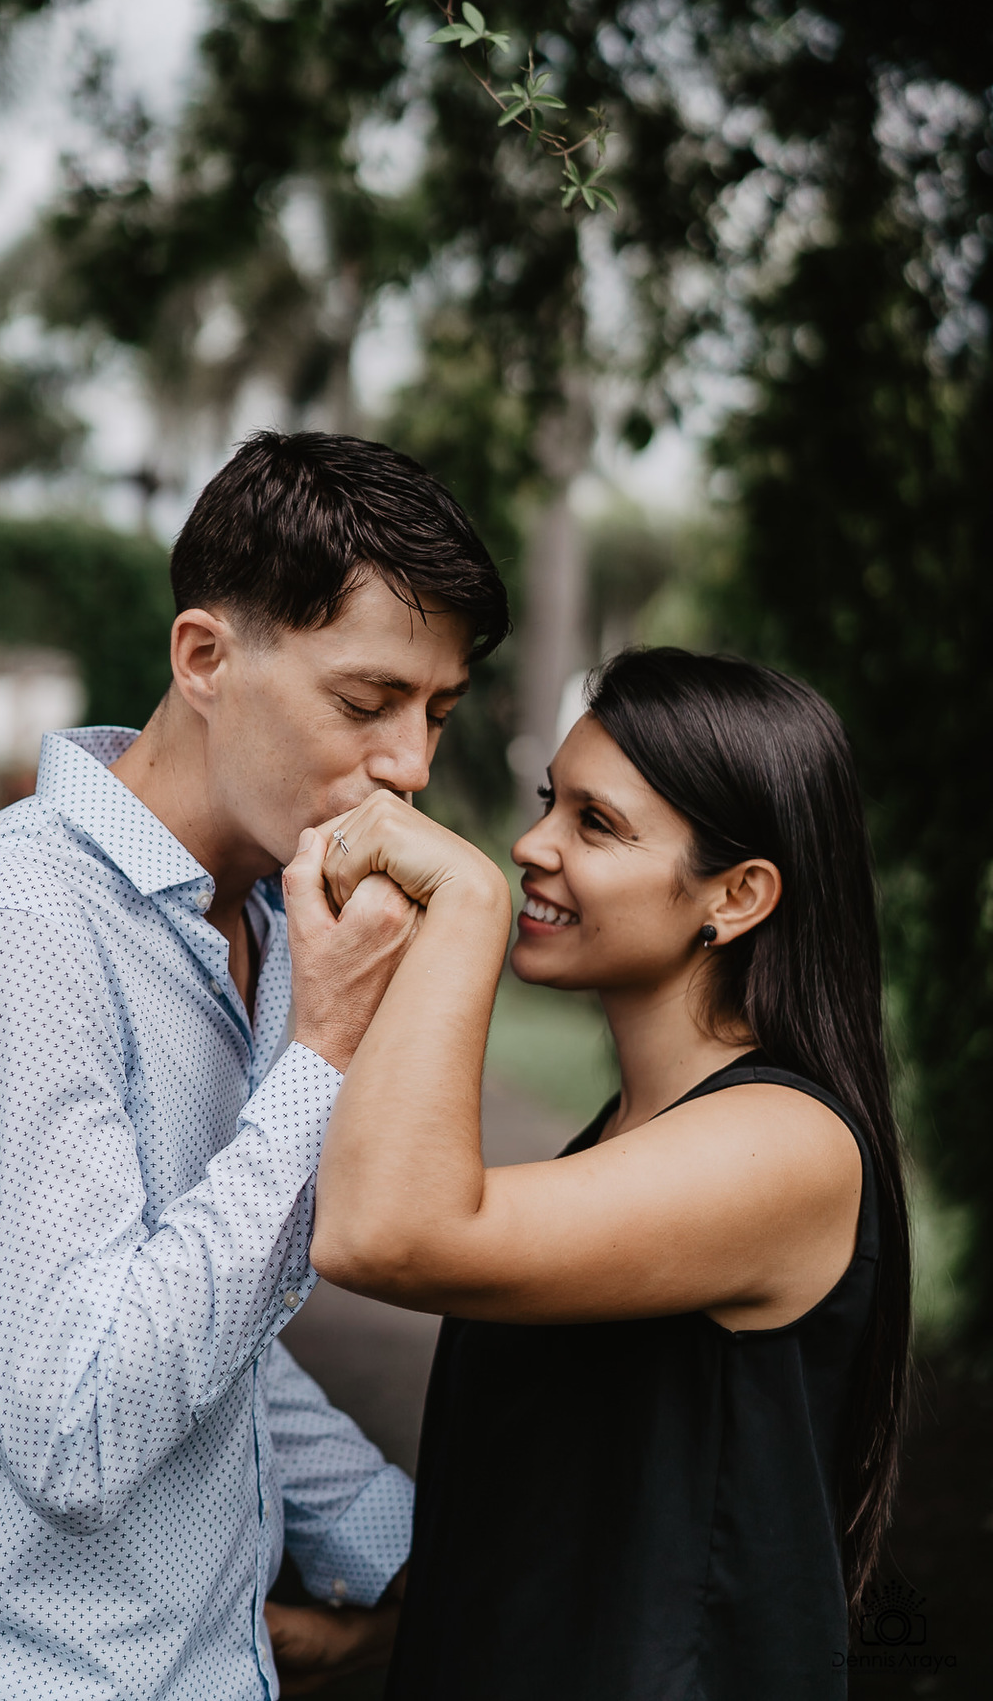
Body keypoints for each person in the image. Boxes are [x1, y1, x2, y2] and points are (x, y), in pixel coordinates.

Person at [0, 431, 509, 1701]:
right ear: (205, 657)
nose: (411, 765)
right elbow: (80, 1424)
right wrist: (324, 1054)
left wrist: (405, 1549)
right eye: (365, 703)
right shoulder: (12, 934)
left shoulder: (276, 923)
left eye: (436, 714)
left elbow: (209, 1325)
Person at [296, 647, 911, 1700]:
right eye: (550, 802)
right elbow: (574, 1507)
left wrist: (467, 908)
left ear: (740, 893)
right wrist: (389, 1631)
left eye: (597, 823)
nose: (532, 843)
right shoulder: (629, 1134)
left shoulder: (787, 1146)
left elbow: (385, 1231)